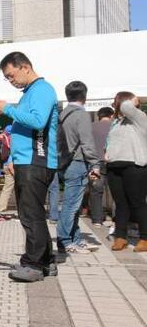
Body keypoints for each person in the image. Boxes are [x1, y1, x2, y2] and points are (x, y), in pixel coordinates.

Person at [0, 52, 59, 282]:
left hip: (36, 160)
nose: (11, 81)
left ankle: (33, 264)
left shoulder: (41, 90)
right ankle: (46, 260)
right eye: (7, 78)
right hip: (29, 160)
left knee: (30, 215)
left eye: (11, 75)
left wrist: (8, 109)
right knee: (34, 214)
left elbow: (38, 121)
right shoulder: (31, 92)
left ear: (25, 67)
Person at [55, 81, 101, 254]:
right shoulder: (81, 115)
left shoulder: (62, 114)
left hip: (64, 162)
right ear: (84, 95)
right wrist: (95, 163)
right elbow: (87, 143)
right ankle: (65, 240)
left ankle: (76, 238)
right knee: (71, 205)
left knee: (71, 203)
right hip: (77, 162)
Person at [105, 92, 147, 252]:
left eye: (115, 101)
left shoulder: (139, 117)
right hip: (114, 166)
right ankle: (120, 237)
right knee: (121, 204)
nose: (113, 103)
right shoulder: (116, 122)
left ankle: (144, 238)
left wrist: (132, 101)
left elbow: (126, 107)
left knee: (138, 203)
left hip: (135, 165)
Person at [88, 107, 114, 227]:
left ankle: (97, 220)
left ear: (99, 115)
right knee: (117, 191)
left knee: (96, 191)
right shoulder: (116, 126)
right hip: (114, 161)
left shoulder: (91, 126)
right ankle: (117, 217)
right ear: (111, 115)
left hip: (95, 162)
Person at [0, 125, 16, 217]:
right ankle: (25, 210)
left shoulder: (3, 138)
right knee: (22, 189)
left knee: (7, 189)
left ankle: (0, 209)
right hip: (12, 165)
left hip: (6, 164)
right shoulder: (13, 139)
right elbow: (12, 153)